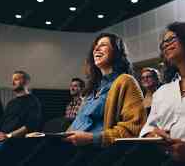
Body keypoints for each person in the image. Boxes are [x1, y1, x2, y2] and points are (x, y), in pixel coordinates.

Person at [20, 33, 146, 166]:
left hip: (95, 149)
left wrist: (92, 138)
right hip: (71, 145)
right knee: (25, 145)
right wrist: (53, 136)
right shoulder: (91, 89)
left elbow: (133, 130)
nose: (96, 49)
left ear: (117, 52)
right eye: (95, 47)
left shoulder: (126, 81)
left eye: (103, 45)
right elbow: (77, 125)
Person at [121, 21, 185, 166]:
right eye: (163, 43)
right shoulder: (163, 92)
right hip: (160, 155)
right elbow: (149, 126)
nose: (165, 44)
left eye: (171, 39)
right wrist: (152, 135)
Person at [0, 71, 42, 166]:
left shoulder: (33, 101)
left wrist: (8, 136)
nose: (13, 82)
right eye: (12, 80)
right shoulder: (11, 103)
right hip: (4, 137)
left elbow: (30, 126)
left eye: (16, 79)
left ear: (26, 82)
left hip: (17, 140)